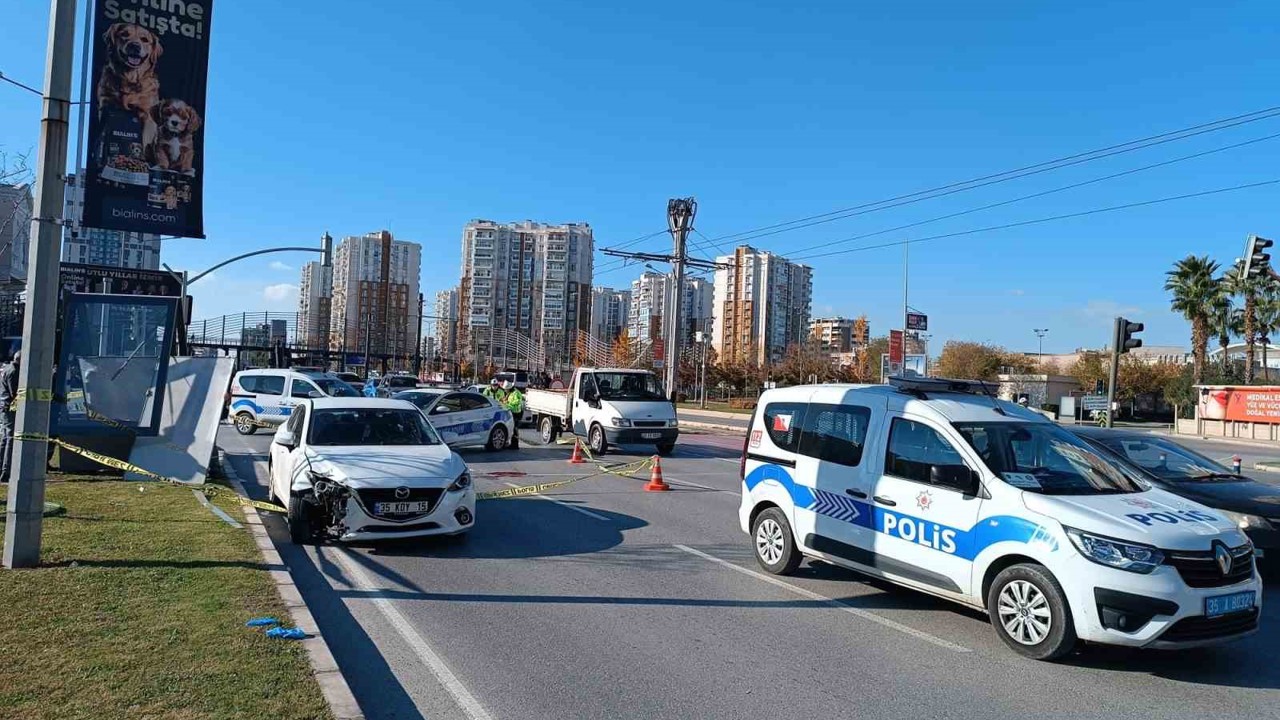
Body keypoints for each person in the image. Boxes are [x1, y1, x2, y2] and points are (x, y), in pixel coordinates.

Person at [0, 351, 20, 484]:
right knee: (10, 439)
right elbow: (15, 393)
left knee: (5, 438)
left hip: (4, 406)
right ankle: (6, 471)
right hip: (10, 408)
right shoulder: (14, 371)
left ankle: (2, 466)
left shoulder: (6, 368)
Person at [501, 380, 524, 449]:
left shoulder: (516, 393)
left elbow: (516, 402)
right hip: (512, 412)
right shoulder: (511, 393)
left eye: (506, 389)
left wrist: (507, 404)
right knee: (511, 428)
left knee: (515, 429)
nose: (505, 390)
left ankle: (515, 445)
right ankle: (512, 444)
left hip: (516, 413)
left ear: (509, 388)